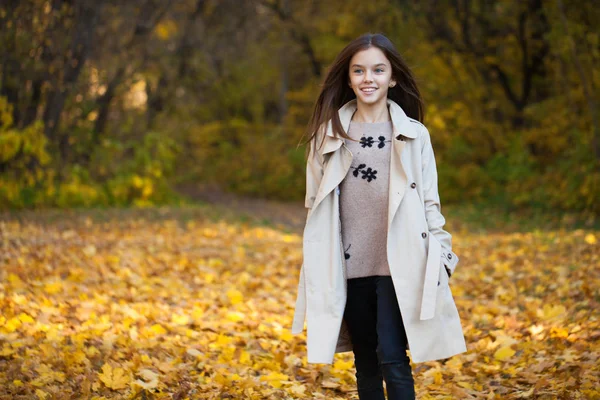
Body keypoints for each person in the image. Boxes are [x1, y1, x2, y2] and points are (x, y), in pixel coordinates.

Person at [291, 32, 467, 399]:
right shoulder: (326, 137)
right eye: (358, 70)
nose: (367, 78)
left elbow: (430, 204)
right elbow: (314, 207)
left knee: (392, 356)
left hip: (398, 265)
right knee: (365, 360)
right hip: (348, 267)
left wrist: (444, 256)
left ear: (393, 77)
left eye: (377, 70)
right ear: (348, 78)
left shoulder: (415, 136)